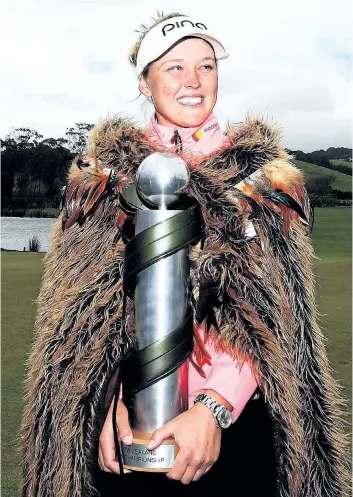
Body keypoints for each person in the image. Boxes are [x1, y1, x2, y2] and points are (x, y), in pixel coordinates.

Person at [20, 12, 350, 497]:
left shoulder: (263, 179)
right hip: (122, 430)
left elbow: (274, 312)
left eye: (207, 66)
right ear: (144, 81)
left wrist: (215, 407)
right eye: (174, 67)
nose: (194, 81)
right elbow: (81, 322)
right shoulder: (102, 178)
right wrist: (104, 403)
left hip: (238, 427)